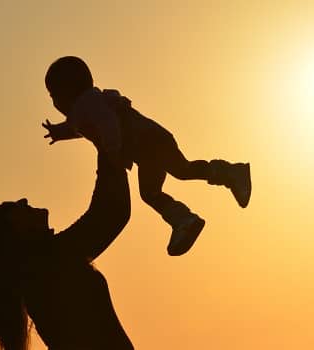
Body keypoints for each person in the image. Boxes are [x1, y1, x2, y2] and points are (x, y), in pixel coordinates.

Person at [41, 56, 251, 256]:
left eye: (53, 95)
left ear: (66, 91)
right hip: (149, 147)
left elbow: (107, 123)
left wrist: (113, 152)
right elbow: (80, 127)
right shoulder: (88, 105)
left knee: (177, 174)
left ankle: (217, 186)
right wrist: (60, 132)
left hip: (149, 142)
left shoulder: (86, 103)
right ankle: (186, 218)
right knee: (167, 181)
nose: (54, 103)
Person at [0, 147, 135, 350]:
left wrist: (107, 146)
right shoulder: (48, 263)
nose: (23, 201)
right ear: (10, 235)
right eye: (10, 207)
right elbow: (110, 213)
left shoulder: (41, 267)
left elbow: (109, 213)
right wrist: (106, 141)